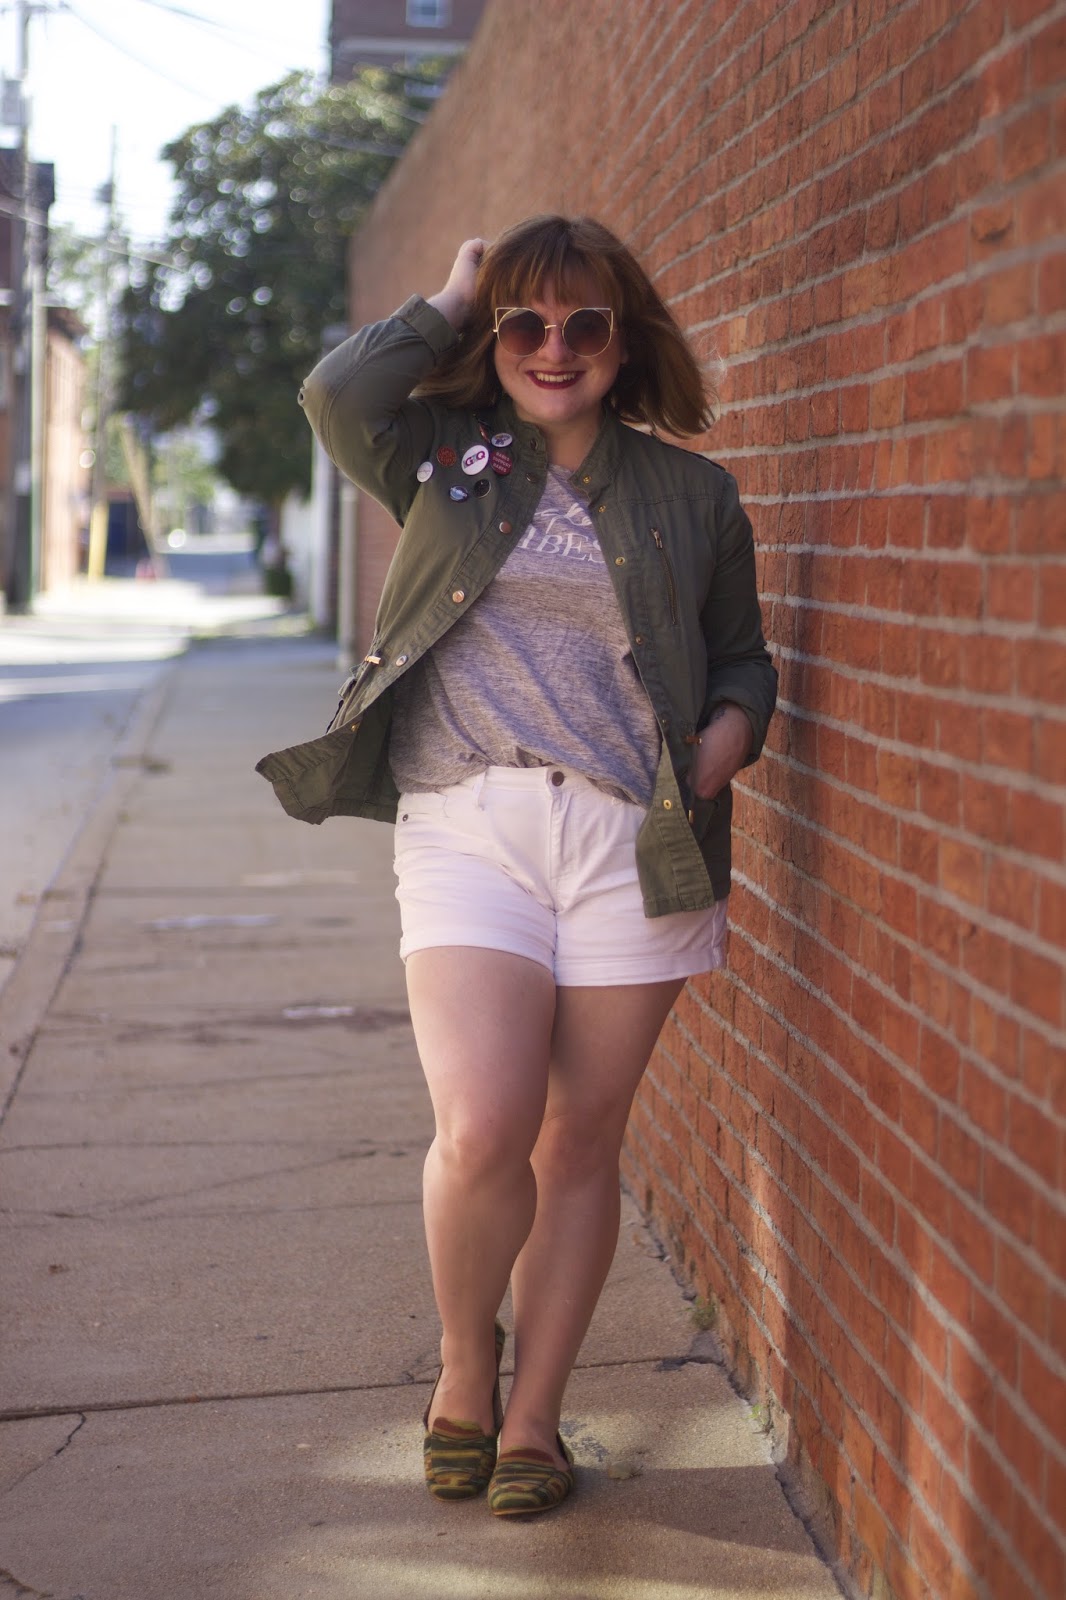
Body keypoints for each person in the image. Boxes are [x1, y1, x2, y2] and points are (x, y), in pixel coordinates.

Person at [257, 215, 777, 1517]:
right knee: (484, 1127)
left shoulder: (694, 497)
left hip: (630, 838)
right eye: (525, 325)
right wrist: (450, 296)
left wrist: (724, 742)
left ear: (624, 340)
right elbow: (335, 395)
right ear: (495, 340)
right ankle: (462, 1368)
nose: (554, 347)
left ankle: (538, 1416)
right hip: (467, 823)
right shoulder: (447, 456)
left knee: (579, 1140)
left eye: (583, 324)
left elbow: (742, 662)